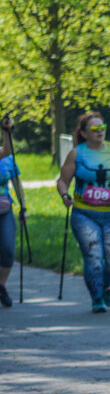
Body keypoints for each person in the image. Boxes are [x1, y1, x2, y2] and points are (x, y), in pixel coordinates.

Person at [55, 112, 110, 312]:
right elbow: (63, 180)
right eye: (94, 128)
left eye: (102, 127)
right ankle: (97, 296)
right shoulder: (77, 153)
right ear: (83, 133)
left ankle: (105, 284)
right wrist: (65, 196)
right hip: (84, 214)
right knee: (93, 257)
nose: (100, 131)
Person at [0, 115, 25, 307]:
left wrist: (6, 131)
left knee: (8, 250)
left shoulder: (6, 159)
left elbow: (18, 184)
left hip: (5, 211)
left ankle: (2, 286)